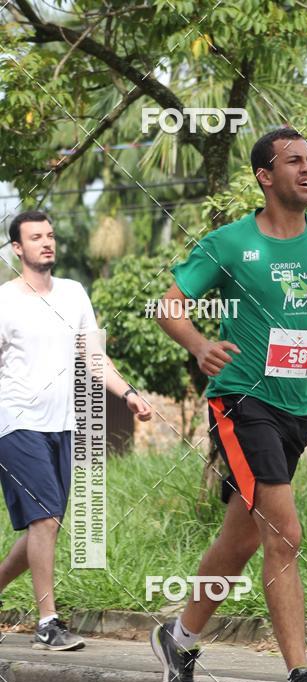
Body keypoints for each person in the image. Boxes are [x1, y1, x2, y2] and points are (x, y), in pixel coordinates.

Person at [151, 126, 307, 682]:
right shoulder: (229, 244)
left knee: (242, 537)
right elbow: (168, 305)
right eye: (293, 160)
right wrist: (199, 345)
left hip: (299, 407)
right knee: (284, 534)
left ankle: (181, 637)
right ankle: (300, 676)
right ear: (264, 176)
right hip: (242, 403)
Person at [0, 210, 152, 649]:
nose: (46, 243)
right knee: (45, 519)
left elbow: (94, 355)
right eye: (35, 237)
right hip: (15, 423)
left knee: (43, 526)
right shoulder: (5, 300)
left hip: (64, 424)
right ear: (17, 248)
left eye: (50, 235)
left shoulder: (73, 293)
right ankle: (48, 622)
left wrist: (128, 393)